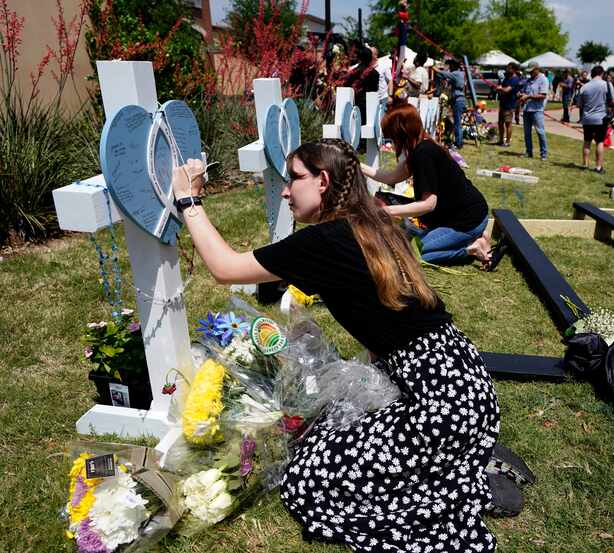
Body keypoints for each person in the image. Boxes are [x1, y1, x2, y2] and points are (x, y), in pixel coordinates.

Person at [169, 139, 500, 552]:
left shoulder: (324, 240)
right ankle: (451, 463)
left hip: (438, 403)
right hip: (466, 385)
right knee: (321, 437)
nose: (286, 190)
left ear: (322, 181)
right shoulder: (373, 222)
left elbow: (225, 268)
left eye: (295, 178)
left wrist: (188, 199)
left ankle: (444, 474)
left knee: (308, 478)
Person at [362, 103, 492, 264]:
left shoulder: (423, 154)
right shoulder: (420, 146)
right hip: (453, 215)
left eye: (392, 136)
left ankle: (471, 248)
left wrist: (387, 211)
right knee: (383, 201)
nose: (392, 142)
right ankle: (470, 239)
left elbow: (428, 204)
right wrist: (357, 165)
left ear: (401, 133)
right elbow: (390, 178)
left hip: (466, 221)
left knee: (412, 255)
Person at [578, 65, 614, 174]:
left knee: (587, 141)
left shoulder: (584, 86)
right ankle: (598, 167)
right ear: (602, 74)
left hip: (587, 118)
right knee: (599, 142)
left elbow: (580, 104)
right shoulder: (607, 85)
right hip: (601, 118)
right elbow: (613, 100)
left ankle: (585, 165)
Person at [518, 61, 550, 160]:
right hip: (527, 109)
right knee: (527, 132)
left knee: (540, 132)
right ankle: (528, 152)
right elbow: (525, 91)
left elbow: (543, 95)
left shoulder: (543, 80)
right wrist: (521, 94)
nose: (530, 73)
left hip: (537, 110)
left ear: (537, 69)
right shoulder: (528, 80)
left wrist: (528, 96)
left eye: (531, 71)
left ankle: (543, 154)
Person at [435, 58, 467, 150]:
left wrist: (435, 69)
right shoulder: (459, 74)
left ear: (454, 66)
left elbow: (444, 74)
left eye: (451, 65)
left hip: (458, 100)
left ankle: (458, 143)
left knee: (457, 122)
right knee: (454, 121)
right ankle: (455, 140)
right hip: (456, 99)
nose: (449, 67)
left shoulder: (456, 74)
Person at [344, 46, 380, 124]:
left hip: (353, 103)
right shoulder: (374, 73)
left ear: (360, 58)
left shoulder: (352, 72)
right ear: (371, 58)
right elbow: (374, 91)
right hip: (368, 106)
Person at [494, 62, 521, 146]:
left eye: (509, 68)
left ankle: (508, 142)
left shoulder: (515, 79)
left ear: (513, 69)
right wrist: (498, 88)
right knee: (500, 123)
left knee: (508, 123)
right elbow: (502, 88)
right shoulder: (507, 78)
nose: (507, 69)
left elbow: (507, 90)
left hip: (509, 105)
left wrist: (500, 88)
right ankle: (501, 140)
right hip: (503, 103)